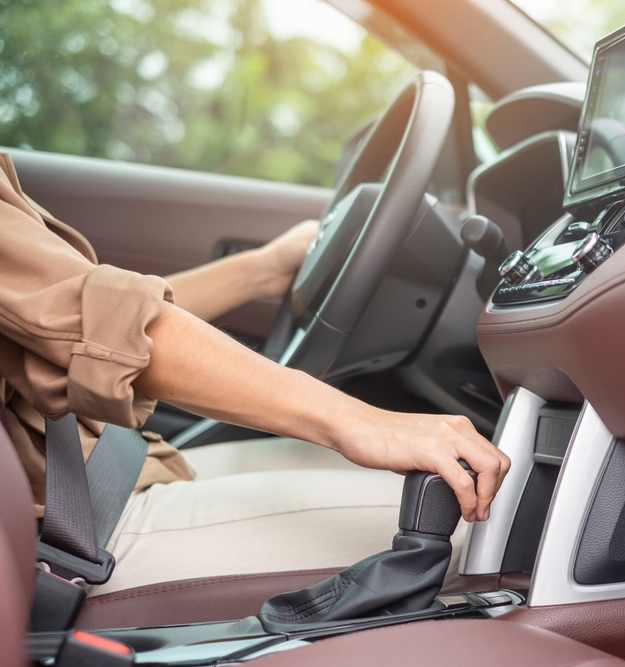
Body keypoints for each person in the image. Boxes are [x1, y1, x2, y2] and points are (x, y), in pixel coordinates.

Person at [0, 152, 510, 595]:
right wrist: (362, 421)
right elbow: (104, 325)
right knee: (496, 537)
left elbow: (69, 311)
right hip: (68, 531)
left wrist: (265, 267)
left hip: (98, 467)